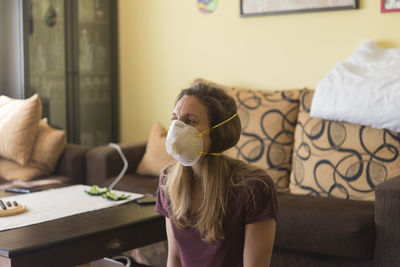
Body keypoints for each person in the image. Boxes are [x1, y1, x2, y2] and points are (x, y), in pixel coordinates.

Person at [156, 82, 278, 267]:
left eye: (189, 121)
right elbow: (175, 259)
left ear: (216, 132)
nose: (177, 130)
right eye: (175, 119)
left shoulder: (254, 187)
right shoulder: (169, 180)